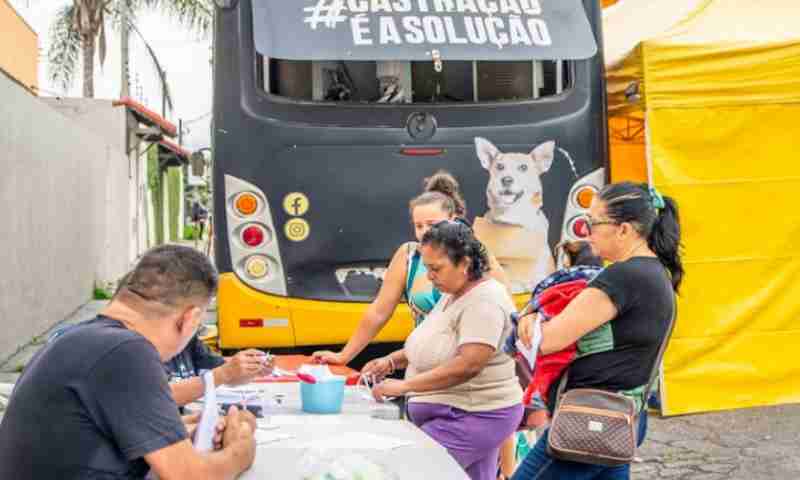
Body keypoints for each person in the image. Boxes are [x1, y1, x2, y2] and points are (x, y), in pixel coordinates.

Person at [0, 245, 256, 479]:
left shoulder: (82, 339)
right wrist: (240, 451)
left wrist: (195, 425)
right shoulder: (128, 351)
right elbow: (189, 476)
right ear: (189, 319)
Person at [512, 182, 683, 480]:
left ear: (624, 230)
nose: (586, 233)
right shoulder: (656, 274)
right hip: (621, 416)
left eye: (594, 223)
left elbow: (549, 341)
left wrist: (532, 318)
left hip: (589, 418)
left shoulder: (623, 276)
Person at [371, 221, 524, 480]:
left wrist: (404, 387)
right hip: (456, 414)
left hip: (473, 416)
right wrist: (390, 361)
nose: (429, 276)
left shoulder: (485, 301)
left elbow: (468, 364)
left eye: (435, 269)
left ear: (464, 263)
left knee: (408, 471)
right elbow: (435, 345)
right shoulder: (454, 292)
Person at [312, 170, 510, 370]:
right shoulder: (408, 256)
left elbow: (504, 310)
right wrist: (344, 355)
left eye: (432, 224)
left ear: (454, 218)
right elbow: (379, 312)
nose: (424, 231)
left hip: (469, 368)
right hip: (424, 364)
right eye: (418, 225)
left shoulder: (476, 256)